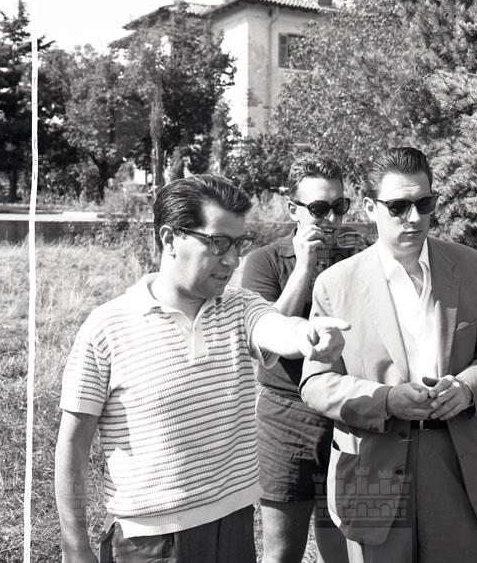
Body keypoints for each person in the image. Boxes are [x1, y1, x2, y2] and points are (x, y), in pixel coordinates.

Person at [55, 173, 349, 563]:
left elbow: (276, 327)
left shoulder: (239, 306)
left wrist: (307, 335)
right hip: (150, 542)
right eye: (217, 243)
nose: (232, 260)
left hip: (234, 526)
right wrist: (74, 544)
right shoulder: (107, 327)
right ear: (169, 238)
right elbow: (73, 445)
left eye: (239, 243)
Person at [300, 147, 477, 563]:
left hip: (456, 463)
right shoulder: (335, 284)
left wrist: (467, 388)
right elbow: (316, 382)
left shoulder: (468, 266)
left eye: (424, 203)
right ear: (370, 208)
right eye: (398, 206)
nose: (414, 218)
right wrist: (386, 400)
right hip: (372, 467)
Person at [241, 156, 364, 563]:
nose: (331, 219)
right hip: (286, 416)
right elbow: (266, 340)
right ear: (292, 209)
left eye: (339, 206)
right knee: (281, 552)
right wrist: (305, 268)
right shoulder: (265, 261)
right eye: (318, 209)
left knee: (350, 549)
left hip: (350, 411)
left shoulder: (359, 255)